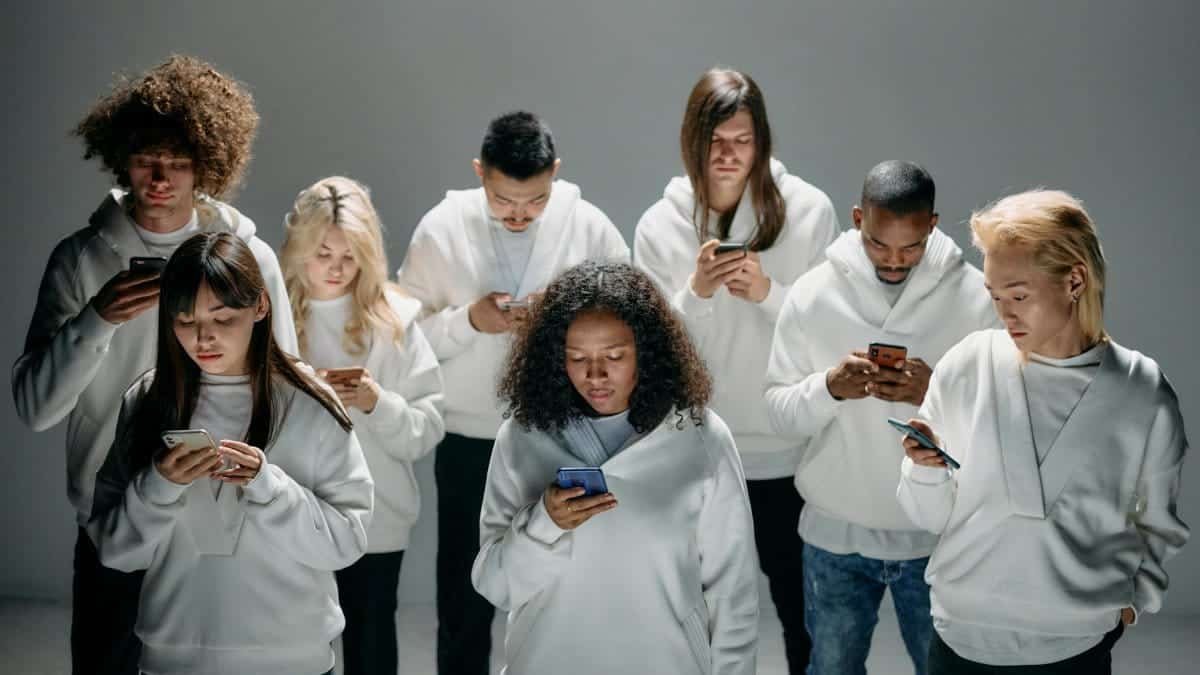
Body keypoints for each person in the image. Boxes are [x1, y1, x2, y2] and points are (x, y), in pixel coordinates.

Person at [11, 55, 297, 675]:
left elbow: (287, 387)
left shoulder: (250, 259)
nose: (161, 177)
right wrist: (98, 318)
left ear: (207, 167)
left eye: (179, 161)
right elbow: (34, 410)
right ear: (122, 159)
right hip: (112, 517)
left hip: (224, 520)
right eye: (146, 159)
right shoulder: (81, 260)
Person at [897, 189, 1189, 674]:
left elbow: (1159, 522)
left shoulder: (1140, 389)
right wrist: (923, 469)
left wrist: (1135, 598)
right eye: (994, 296)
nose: (1004, 313)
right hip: (958, 637)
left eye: (1019, 296)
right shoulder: (968, 364)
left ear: (1074, 280)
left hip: (1073, 645)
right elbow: (930, 517)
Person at [395, 110, 629, 674]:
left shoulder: (590, 225)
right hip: (468, 433)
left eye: (536, 201)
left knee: (568, 580)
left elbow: (630, 319)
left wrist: (566, 316)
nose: (520, 215)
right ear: (480, 173)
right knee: (464, 587)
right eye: (503, 201)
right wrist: (468, 321)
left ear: (556, 173)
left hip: (566, 432)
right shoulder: (441, 227)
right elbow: (399, 337)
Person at [87, 231, 372, 675]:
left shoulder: (311, 402)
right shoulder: (147, 400)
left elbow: (348, 542)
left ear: (260, 306)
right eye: (185, 320)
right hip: (172, 658)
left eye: (222, 319)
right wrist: (158, 486)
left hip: (293, 659)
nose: (204, 338)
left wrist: (269, 485)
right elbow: (114, 551)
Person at [633, 67, 837, 673]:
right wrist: (695, 292)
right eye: (715, 141)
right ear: (691, 141)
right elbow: (645, 350)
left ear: (762, 141)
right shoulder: (658, 225)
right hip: (696, 454)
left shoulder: (808, 210)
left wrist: (770, 293)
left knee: (806, 616)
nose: (727, 156)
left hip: (788, 451)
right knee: (700, 615)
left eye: (742, 141)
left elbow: (833, 329)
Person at [764, 161, 998, 674]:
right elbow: (778, 415)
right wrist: (829, 388)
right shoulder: (811, 294)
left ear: (933, 225)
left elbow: (1005, 426)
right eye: (877, 243)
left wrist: (934, 390)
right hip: (834, 536)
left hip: (939, 539)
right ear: (856, 219)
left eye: (911, 246)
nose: (893, 260)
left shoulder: (978, 298)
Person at [471, 260, 759, 674]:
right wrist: (544, 523)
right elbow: (496, 586)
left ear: (648, 351)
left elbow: (734, 592)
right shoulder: (522, 437)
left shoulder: (701, 438)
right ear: (555, 358)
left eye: (615, 356)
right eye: (577, 358)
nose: (596, 375)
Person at [280, 176, 445, 675]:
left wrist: (377, 402)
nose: (335, 269)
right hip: (288, 509)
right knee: (293, 643)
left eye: (350, 257)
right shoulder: (271, 314)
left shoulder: (394, 321)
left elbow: (426, 427)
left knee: (371, 639)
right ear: (299, 248)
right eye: (322, 253)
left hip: (377, 516)